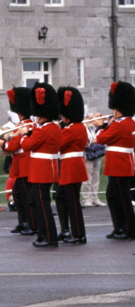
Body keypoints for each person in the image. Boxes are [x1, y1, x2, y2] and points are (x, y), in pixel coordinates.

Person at [19, 82, 62, 248]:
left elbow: (27, 145)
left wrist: (24, 135)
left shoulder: (43, 129)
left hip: (41, 170)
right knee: (34, 201)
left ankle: (49, 236)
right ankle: (43, 233)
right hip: (46, 168)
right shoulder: (53, 128)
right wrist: (30, 133)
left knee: (41, 205)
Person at [97, 81, 135, 239]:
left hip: (119, 165)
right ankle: (119, 226)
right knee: (113, 196)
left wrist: (101, 126)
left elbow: (102, 138)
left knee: (121, 198)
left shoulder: (120, 124)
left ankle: (127, 229)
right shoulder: (126, 123)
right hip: (119, 164)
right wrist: (107, 124)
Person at [56, 87, 89, 245]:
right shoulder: (73, 127)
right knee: (61, 197)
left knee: (72, 202)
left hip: (71, 167)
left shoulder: (74, 128)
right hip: (69, 166)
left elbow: (58, 144)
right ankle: (66, 229)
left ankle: (78, 234)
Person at [4, 87, 35, 236]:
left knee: (25, 196)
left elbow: (14, 145)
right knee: (18, 194)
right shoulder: (24, 124)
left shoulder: (26, 125)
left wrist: (4, 145)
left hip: (25, 164)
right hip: (20, 163)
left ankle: (30, 223)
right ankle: (23, 221)